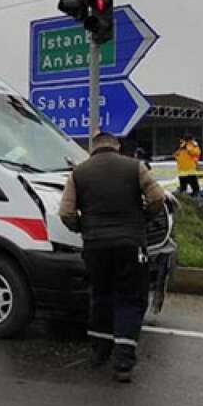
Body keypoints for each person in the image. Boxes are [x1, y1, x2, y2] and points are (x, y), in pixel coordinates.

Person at [60, 132, 166, 383]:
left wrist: (83, 228)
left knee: (101, 295)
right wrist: (144, 219)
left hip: (95, 246)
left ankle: (99, 352)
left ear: (92, 148)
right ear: (116, 146)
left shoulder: (79, 173)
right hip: (131, 245)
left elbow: (66, 212)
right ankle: (123, 363)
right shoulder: (135, 167)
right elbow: (158, 198)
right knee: (130, 299)